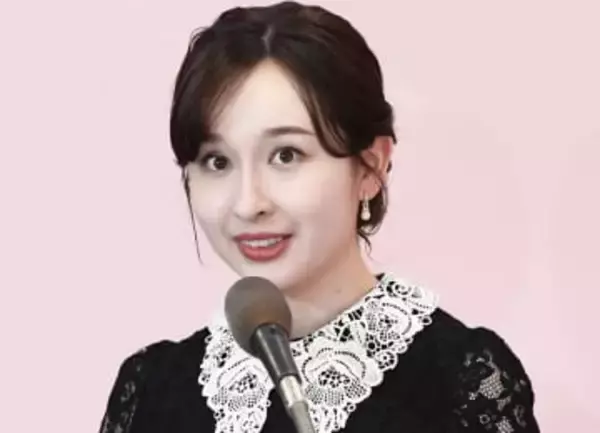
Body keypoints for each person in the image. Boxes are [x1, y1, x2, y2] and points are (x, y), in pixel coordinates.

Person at [99, 2, 540, 432]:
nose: (248, 203)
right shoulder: (151, 390)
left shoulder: (460, 384)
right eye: (217, 162)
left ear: (370, 167)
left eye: (286, 155)